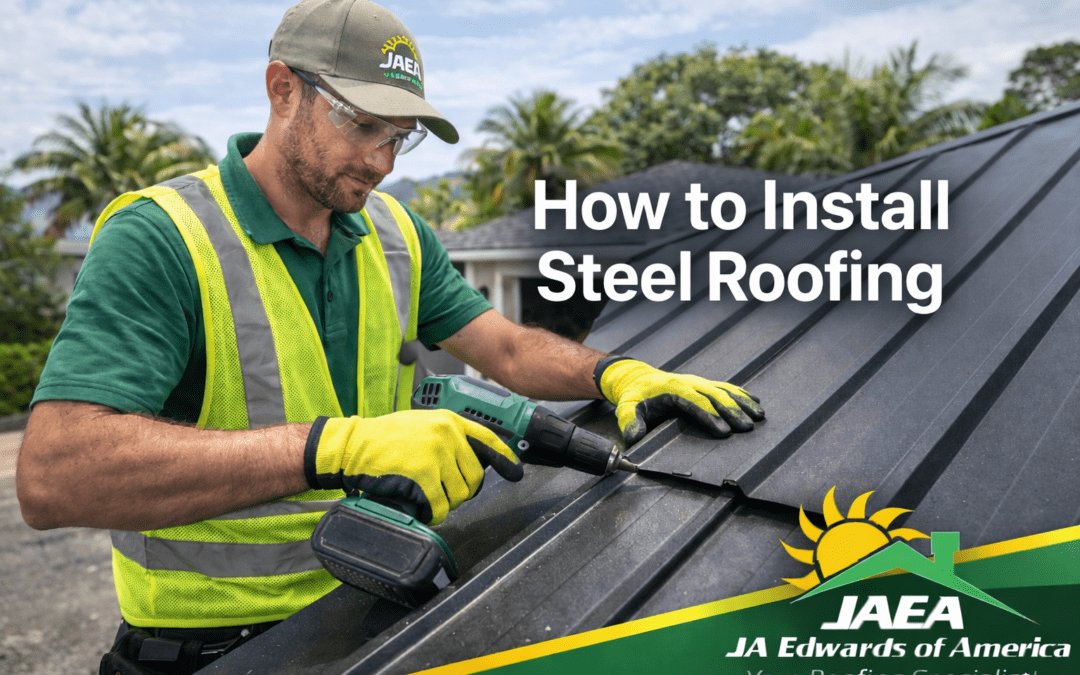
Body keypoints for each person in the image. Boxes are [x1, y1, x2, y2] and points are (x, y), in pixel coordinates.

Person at [15, 1, 764, 672]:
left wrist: (615, 373)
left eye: (400, 137)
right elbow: (55, 477)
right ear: (282, 90)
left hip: (373, 613)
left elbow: (505, 348)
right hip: (206, 650)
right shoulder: (163, 238)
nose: (380, 160)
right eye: (362, 123)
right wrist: (334, 448)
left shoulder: (395, 234)